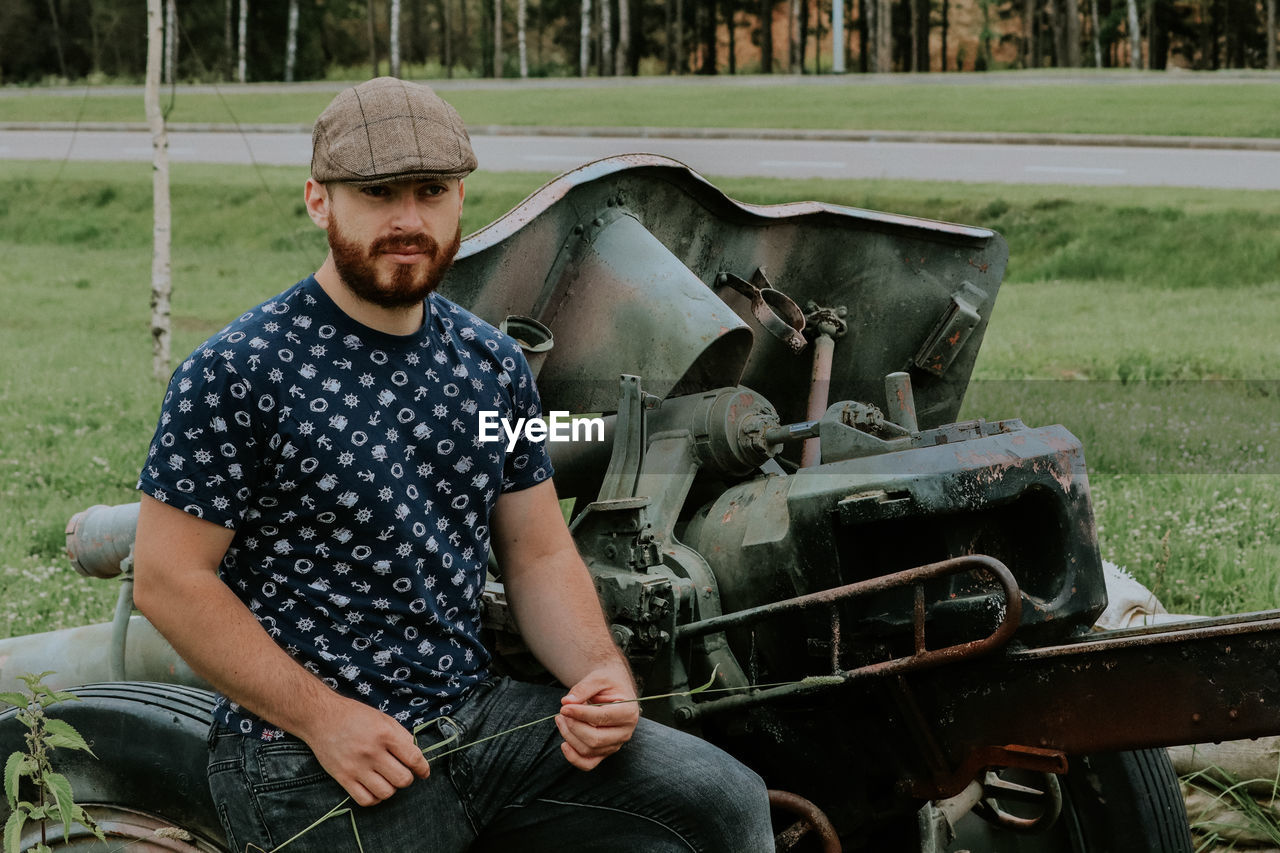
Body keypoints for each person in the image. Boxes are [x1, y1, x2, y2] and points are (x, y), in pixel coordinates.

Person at [132, 77, 774, 852]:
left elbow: (536, 550)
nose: (409, 219)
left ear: (459, 199)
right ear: (318, 200)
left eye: (431, 191)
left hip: (476, 716)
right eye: (377, 193)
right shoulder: (238, 371)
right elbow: (169, 579)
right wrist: (325, 719)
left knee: (726, 802)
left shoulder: (491, 364)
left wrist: (600, 673)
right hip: (306, 754)